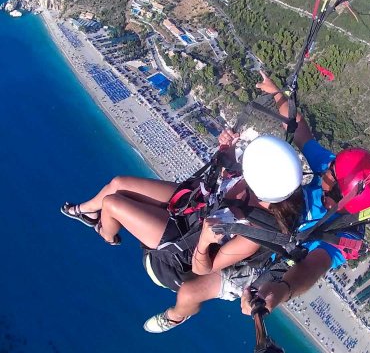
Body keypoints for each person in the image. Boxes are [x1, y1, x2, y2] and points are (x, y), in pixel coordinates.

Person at [61, 134, 305, 331]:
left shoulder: (254, 232)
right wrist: (225, 151)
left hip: (181, 252)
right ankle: (87, 213)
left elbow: (203, 269)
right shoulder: (256, 183)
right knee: (118, 184)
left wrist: (205, 242)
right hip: (192, 211)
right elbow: (221, 183)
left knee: (112, 205)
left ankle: (106, 234)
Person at [239, 71, 370, 316]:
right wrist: (277, 93)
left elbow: (310, 270)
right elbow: (299, 130)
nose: (327, 167)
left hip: (282, 256)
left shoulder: (340, 236)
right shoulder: (333, 172)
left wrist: (280, 292)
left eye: (331, 172)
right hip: (278, 213)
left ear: (341, 194)